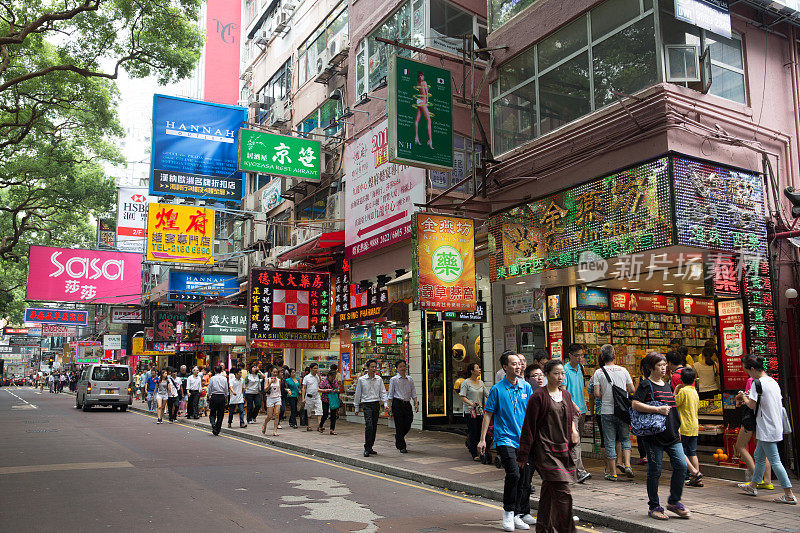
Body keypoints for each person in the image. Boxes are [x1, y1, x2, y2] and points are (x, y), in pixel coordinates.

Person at [518, 359, 579, 533]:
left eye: (562, 374)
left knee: (548, 492)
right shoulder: (538, 397)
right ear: (547, 375)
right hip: (544, 451)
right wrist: (523, 455)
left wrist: (574, 430)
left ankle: (543, 529)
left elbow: (570, 417)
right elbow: (529, 427)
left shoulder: (566, 395)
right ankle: (568, 530)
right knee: (563, 491)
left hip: (563, 449)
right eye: (556, 373)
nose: (560, 377)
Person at [478, 353, 535, 531]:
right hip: (504, 438)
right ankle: (508, 512)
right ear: (505, 367)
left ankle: (518, 514)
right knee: (514, 474)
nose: (518, 367)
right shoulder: (497, 389)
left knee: (524, 478)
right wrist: (482, 440)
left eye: (519, 364)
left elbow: (533, 414)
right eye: (513, 364)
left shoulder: (526, 387)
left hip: (524, 440)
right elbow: (488, 414)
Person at [632, 352, 690, 520]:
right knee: (655, 470)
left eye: (664, 365)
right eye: (659, 365)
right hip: (654, 436)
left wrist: (677, 428)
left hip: (672, 434)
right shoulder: (645, 385)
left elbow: (673, 408)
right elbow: (635, 404)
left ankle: (673, 502)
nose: (664, 368)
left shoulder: (668, 385)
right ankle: (654, 506)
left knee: (681, 466)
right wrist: (657, 409)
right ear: (651, 367)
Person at [736, 355, 796, 504]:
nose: (747, 374)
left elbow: (751, 405)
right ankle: (753, 486)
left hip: (766, 427)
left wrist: (743, 396)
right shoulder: (772, 381)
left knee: (775, 461)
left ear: (752, 369)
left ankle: (789, 494)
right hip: (774, 424)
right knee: (759, 456)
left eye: (747, 371)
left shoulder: (757, 383)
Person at [590, 344, 635, 481]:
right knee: (625, 438)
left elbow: (596, 393)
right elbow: (632, 389)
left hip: (606, 411)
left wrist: (606, 394)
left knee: (609, 441)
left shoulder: (598, 372)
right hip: (622, 411)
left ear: (602, 357)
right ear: (615, 356)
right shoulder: (623, 370)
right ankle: (627, 464)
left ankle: (613, 473)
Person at [735, 372, 773, 489]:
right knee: (762, 449)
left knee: (740, 446)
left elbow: (750, 402)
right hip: (761, 419)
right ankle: (767, 481)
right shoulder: (770, 381)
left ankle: (756, 478)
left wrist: (742, 397)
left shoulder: (752, 381)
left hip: (750, 419)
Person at [564, 343, 591, 484]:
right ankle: (580, 472)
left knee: (573, 442)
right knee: (576, 442)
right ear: (570, 355)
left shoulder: (581, 368)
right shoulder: (564, 370)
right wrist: (573, 405)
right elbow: (563, 390)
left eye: (582, 355)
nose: (580, 358)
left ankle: (569, 470)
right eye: (577, 355)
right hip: (571, 410)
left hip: (582, 409)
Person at [674, 367, 703, 487]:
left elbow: (674, 403)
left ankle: (691, 474)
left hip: (684, 426)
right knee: (693, 452)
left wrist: (675, 390)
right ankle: (697, 477)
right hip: (694, 426)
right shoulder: (694, 391)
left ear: (681, 379)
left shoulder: (683, 391)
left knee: (681, 451)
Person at [353, 359, 389, 457]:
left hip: (376, 404)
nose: (374, 369)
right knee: (369, 425)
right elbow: (358, 394)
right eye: (372, 367)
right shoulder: (362, 380)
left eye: (375, 367)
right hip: (366, 404)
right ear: (367, 368)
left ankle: (370, 447)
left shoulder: (379, 379)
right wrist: (356, 407)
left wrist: (385, 404)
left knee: (374, 426)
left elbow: (383, 392)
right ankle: (366, 447)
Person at [387, 360, 418, 452]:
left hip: (407, 404)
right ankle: (402, 446)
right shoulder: (394, 380)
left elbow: (413, 392)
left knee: (409, 421)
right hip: (398, 403)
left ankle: (398, 436)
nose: (403, 368)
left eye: (404, 366)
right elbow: (390, 394)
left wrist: (416, 403)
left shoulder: (410, 379)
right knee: (399, 424)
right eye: (400, 367)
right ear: (397, 369)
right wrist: (389, 407)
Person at [460, 362, 489, 461]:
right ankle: (474, 453)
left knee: (480, 431)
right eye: (477, 368)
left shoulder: (481, 383)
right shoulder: (466, 382)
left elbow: (487, 394)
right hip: (470, 412)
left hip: (480, 412)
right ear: (472, 371)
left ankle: (479, 449)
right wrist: (471, 404)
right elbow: (462, 397)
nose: (479, 369)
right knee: (473, 432)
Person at [413, 72, 433, 149]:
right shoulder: (424, 82)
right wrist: (427, 101)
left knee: (417, 120)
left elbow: (422, 91)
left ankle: (416, 137)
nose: (423, 77)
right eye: (423, 75)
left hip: (419, 101)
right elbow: (426, 94)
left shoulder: (418, 83)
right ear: (421, 76)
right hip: (423, 101)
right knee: (429, 119)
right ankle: (430, 140)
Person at [207, 365, 229, 436]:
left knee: (212, 412)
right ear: (221, 371)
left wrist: (208, 395)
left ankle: (213, 423)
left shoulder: (212, 378)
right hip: (221, 396)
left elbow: (210, 387)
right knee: (220, 414)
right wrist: (226, 397)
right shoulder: (224, 379)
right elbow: (226, 389)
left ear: (214, 371)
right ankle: (217, 429)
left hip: (214, 396)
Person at [302, 363, 323, 433]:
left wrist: (319, 376)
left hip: (317, 396)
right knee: (309, 412)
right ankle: (309, 425)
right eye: (314, 368)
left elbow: (321, 384)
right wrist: (303, 398)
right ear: (311, 369)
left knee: (319, 411)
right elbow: (304, 388)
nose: (316, 370)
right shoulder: (306, 377)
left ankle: (319, 426)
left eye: (317, 368)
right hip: (309, 397)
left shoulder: (317, 376)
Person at [319, 369, 341, 435]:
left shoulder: (334, 381)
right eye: (332, 377)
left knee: (333, 415)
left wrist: (336, 391)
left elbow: (337, 388)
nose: (333, 378)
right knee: (325, 414)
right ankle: (320, 425)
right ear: (329, 376)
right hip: (325, 399)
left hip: (333, 400)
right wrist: (326, 390)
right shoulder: (324, 381)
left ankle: (332, 429)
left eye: (334, 377)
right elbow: (319, 389)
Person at [262, 366, 282, 436]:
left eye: (276, 372)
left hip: (277, 398)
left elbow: (279, 390)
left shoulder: (279, 380)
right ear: (271, 372)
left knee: (276, 414)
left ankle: (275, 431)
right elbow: (265, 390)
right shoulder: (267, 380)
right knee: (269, 416)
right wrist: (270, 383)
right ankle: (265, 424)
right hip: (270, 398)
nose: (275, 373)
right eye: (274, 372)